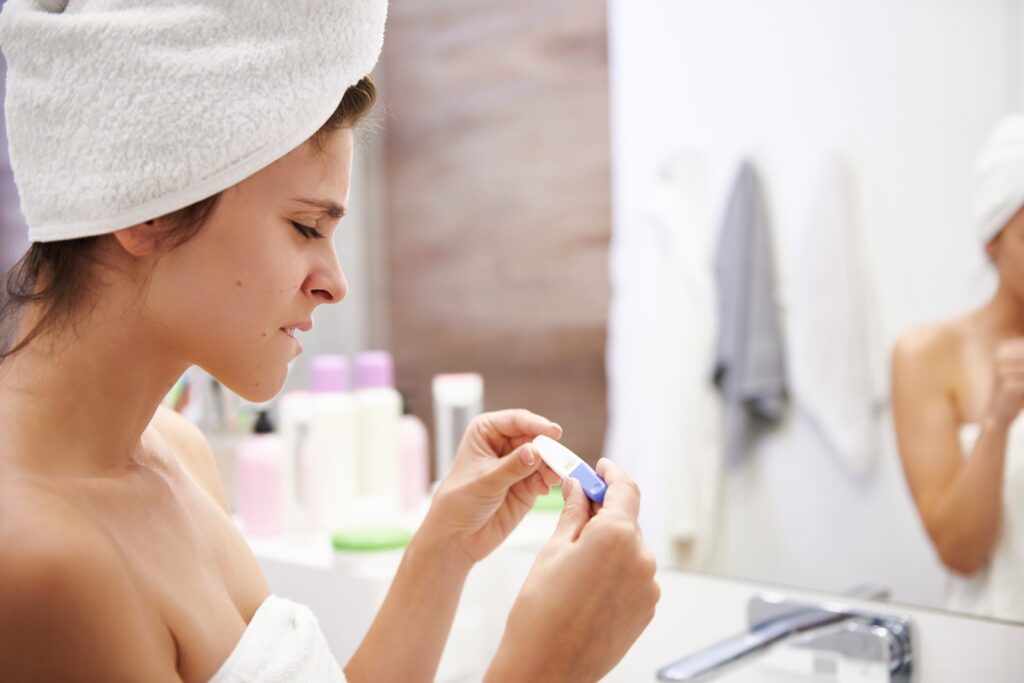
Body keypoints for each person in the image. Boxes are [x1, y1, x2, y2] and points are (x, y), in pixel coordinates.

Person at [0, 1, 660, 681]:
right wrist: (550, 662)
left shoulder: (177, 450)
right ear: (150, 208)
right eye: (306, 227)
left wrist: (445, 548)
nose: (335, 284)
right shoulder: (37, 558)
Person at [892, 114, 1024, 622]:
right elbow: (960, 552)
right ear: (993, 238)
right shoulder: (927, 355)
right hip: (992, 643)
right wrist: (998, 419)